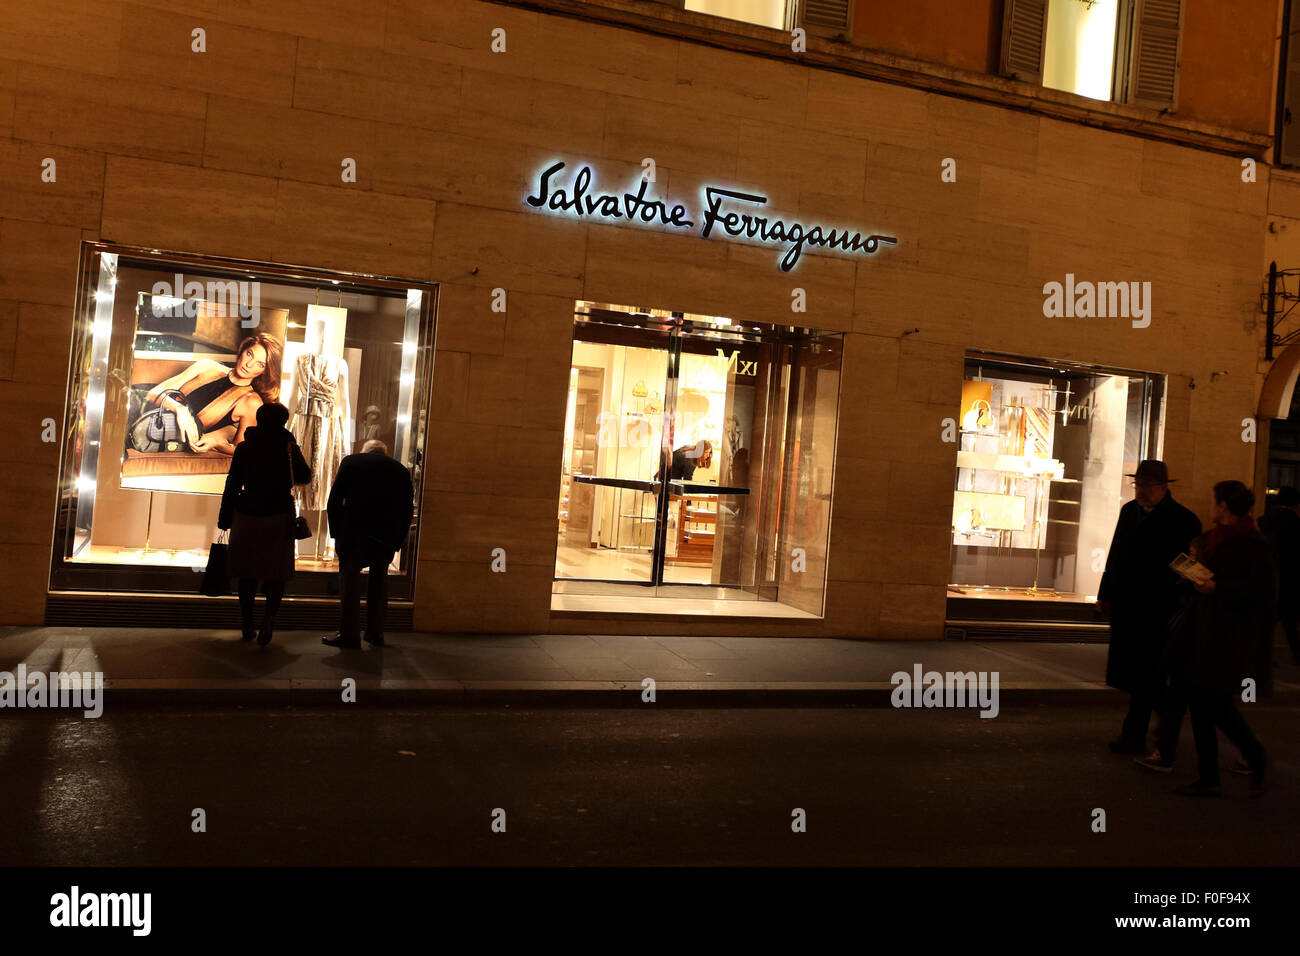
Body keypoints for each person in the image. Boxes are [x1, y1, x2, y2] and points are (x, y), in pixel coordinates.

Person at [1166, 481, 1271, 796]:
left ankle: (1253, 756)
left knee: (1216, 707)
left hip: (1229, 638)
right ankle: (1210, 775)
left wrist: (1217, 587)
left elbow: (1262, 594)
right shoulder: (1213, 539)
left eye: (1213, 501)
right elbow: (1204, 580)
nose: (1210, 506)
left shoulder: (1254, 544)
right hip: (1201, 632)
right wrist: (1193, 574)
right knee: (1202, 705)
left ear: (1223, 506)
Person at [1097, 459, 1201, 755]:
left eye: (1145, 485)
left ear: (1163, 487)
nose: (1139, 490)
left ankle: (1141, 732)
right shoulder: (1129, 512)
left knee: (1147, 673)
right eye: (1137, 484)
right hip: (1128, 604)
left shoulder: (1184, 520)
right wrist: (1105, 592)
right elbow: (1115, 553)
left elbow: (1187, 565)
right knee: (1138, 674)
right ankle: (1152, 724)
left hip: (1159, 608)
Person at [217, 402, 312, 645]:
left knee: (247, 573)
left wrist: (225, 517)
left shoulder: (246, 448)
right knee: (275, 573)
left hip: (248, 513)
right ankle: (269, 620)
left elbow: (232, 484)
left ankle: (247, 623)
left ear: (258, 420)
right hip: (279, 514)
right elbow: (304, 476)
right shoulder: (288, 448)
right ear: (283, 422)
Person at [321, 440, 414, 649]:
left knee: (350, 584)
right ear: (385, 453)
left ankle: (349, 634)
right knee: (379, 585)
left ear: (364, 451)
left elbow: (335, 500)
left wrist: (336, 533)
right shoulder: (399, 470)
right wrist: (397, 540)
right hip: (384, 537)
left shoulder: (352, 462)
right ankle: (375, 633)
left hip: (354, 532)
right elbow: (407, 508)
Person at [143, 333, 283, 454]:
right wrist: (179, 409)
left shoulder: (251, 401)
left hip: (158, 433)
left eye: (260, 364)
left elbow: (242, 449)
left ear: (265, 371)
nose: (249, 364)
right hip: (148, 413)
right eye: (249, 354)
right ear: (243, 350)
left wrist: (216, 443)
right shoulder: (207, 366)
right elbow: (153, 393)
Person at [1261, 485, 1300, 665]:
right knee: (1289, 617)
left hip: (1269, 574)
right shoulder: (1295, 523)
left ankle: (1262, 653)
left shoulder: (1265, 520)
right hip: (1290, 575)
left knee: (1273, 616)